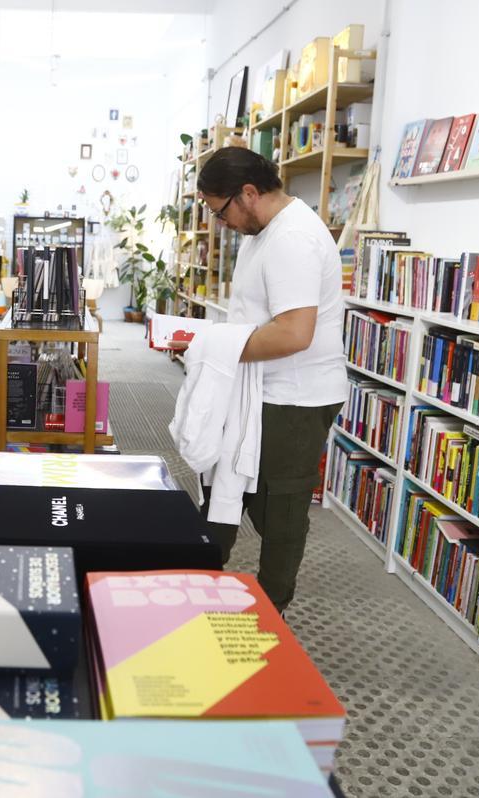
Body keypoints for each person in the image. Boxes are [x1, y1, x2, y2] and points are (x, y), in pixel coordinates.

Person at [195, 146, 346, 614]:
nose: (222, 224)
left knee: (278, 511)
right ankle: (194, 579)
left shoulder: (292, 239)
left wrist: (213, 346)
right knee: (224, 487)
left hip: (293, 400)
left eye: (222, 212)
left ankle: (271, 610)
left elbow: (294, 333)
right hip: (258, 390)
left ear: (248, 193)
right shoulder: (264, 232)